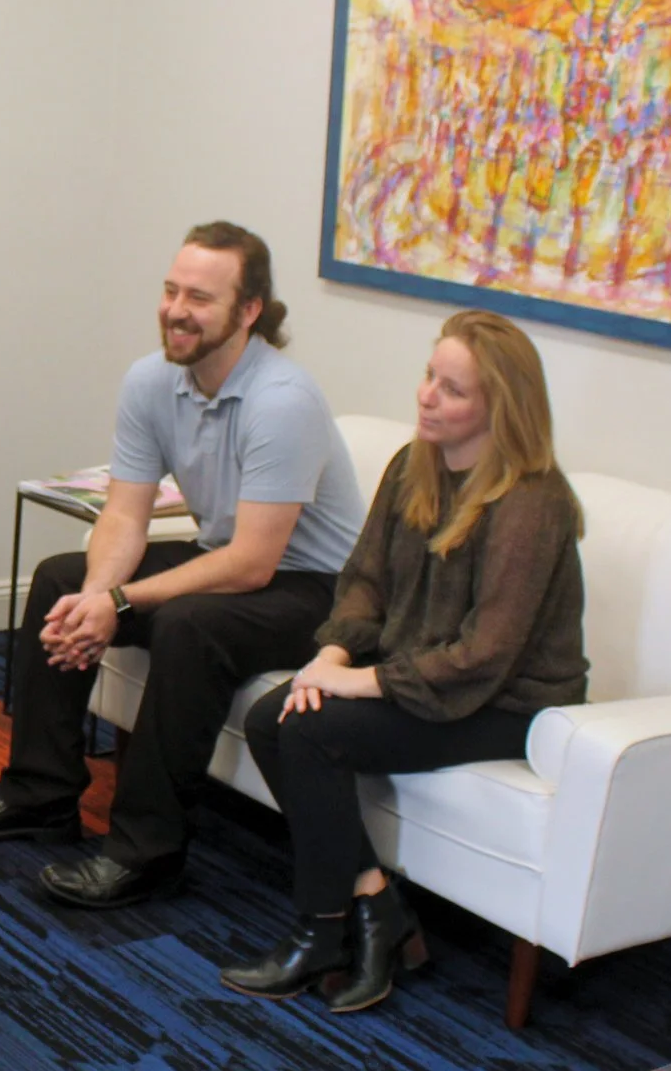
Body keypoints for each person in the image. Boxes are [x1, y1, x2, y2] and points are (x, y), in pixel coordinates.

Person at [0, 223, 364, 909]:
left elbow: (253, 563)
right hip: (228, 558)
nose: (176, 310)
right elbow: (126, 515)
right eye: (170, 290)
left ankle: (147, 853)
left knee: (191, 625)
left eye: (200, 297)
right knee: (60, 578)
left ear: (248, 310)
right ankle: (41, 796)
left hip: (318, 592)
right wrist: (97, 595)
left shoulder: (283, 401)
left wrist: (124, 605)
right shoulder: (151, 380)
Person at [221, 309, 587, 1013]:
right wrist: (330, 651)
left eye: (453, 390)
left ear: (498, 409)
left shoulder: (531, 502)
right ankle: (375, 904)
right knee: (275, 718)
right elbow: (365, 579)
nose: (427, 396)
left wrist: (355, 680)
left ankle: (320, 931)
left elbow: (486, 654)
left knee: (309, 728)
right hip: (423, 671)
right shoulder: (414, 463)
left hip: (510, 705)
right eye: (429, 376)